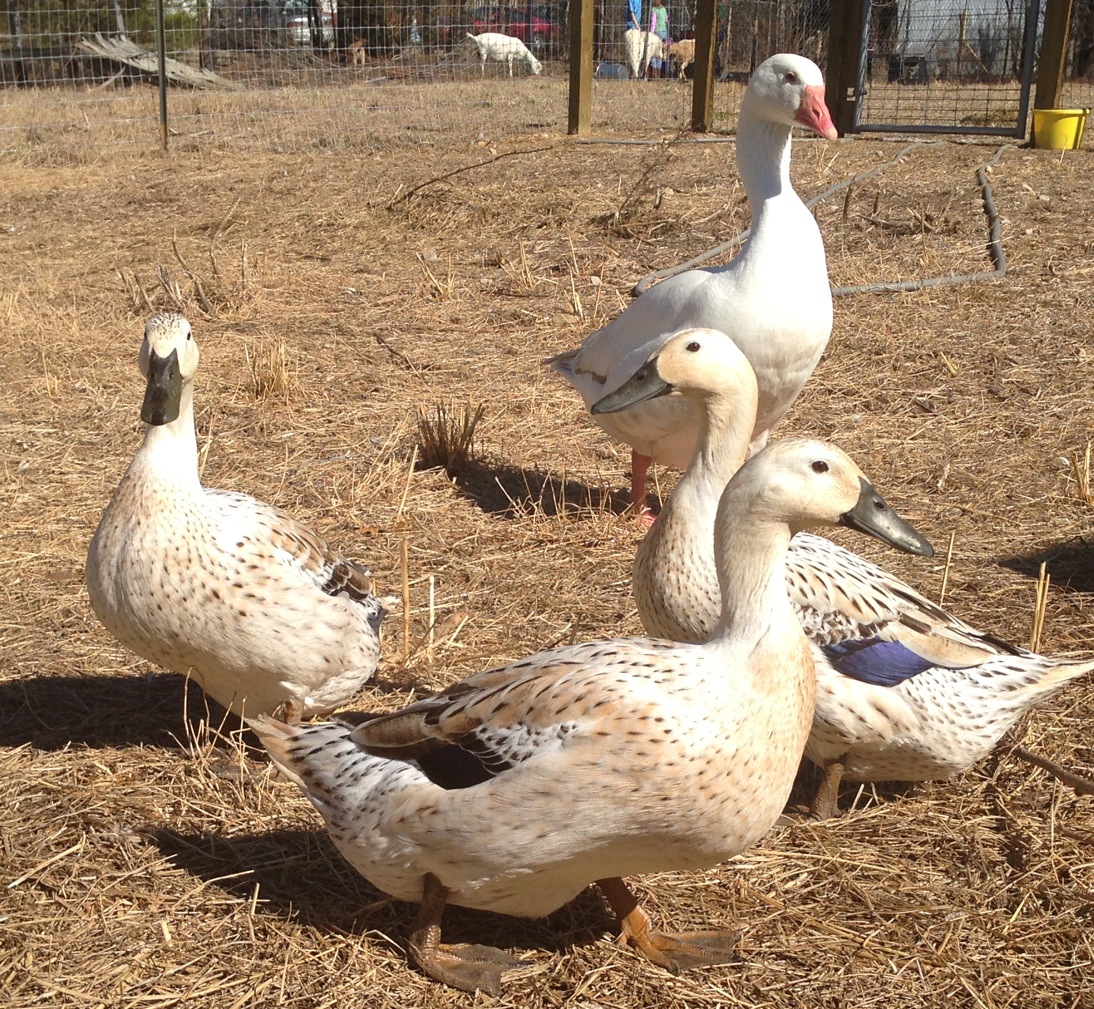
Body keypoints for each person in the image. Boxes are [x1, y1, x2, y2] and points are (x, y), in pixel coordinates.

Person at [649, 0, 668, 76]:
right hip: (664, 32)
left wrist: (651, 33)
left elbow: (653, 22)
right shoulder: (664, 9)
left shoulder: (654, 9)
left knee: (653, 53)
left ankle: (654, 73)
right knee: (660, 53)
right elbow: (666, 20)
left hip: (657, 32)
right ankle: (659, 74)